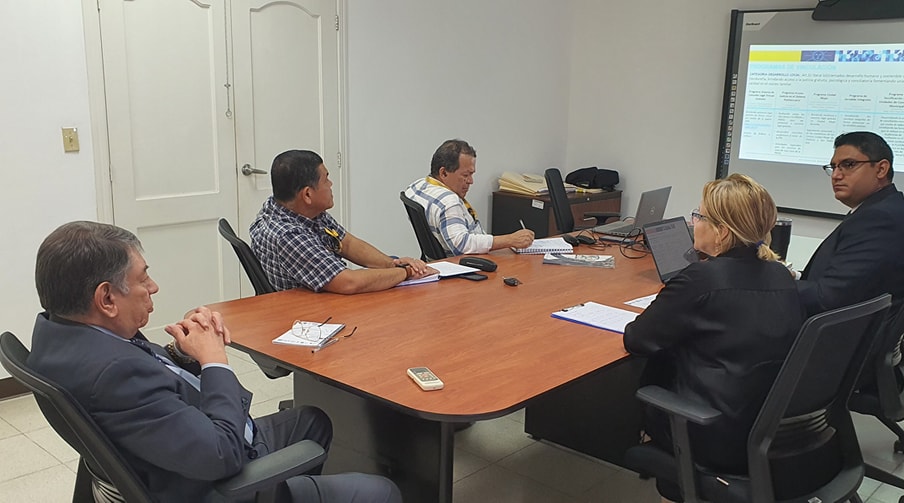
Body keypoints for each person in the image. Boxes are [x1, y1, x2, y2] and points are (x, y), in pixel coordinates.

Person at [27, 221, 402, 503]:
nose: (153, 287)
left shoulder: (61, 332)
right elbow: (221, 454)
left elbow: (146, 372)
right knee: (382, 491)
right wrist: (214, 360)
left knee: (312, 421)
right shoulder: (114, 374)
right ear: (107, 299)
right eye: (143, 278)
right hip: (209, 477)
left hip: (175, 446)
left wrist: (182, 352)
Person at [622, 174, 804, 501]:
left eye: (699, 216)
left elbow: (637, 339)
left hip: (709, 432)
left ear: (722, 231)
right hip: (766, 429)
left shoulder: (702, 279)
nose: (694, 223)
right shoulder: (781, 275)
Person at [251, 150, 437, 294]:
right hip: (309, 315)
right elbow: (348, 282)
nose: (331, 184)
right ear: (307, 194)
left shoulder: (297, 209)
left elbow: (346, 243)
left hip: (328, 296)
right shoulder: (288, 234)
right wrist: (406, 272)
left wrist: (392, 264)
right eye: (326, 180)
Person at [798, 131, 904, 316]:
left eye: (849, 165)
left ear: (881, 169)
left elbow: (828, 298)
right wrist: (793, 277)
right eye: (833, 167)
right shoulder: (881, 209)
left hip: (840, 328)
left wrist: (773, 284)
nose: (836, 175)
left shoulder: (880, 219)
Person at [403, 139, 534, 256]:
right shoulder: (448, 201)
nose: (471, 181)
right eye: (466, 175)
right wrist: (510, 240)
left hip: (435, 262)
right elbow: (462, 244)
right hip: (465, 263)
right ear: (443, 173)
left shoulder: (416, 187)